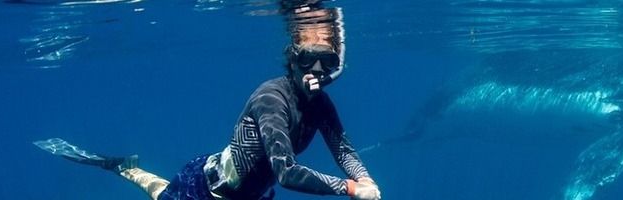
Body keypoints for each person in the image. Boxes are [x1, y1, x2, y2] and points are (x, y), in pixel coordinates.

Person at [34, 1, 381, 200]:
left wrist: (366, 180)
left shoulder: (321, 105)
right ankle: (120, 165)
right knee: (158, 193)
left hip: (252, 197)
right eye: (308, 59)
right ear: (291, 59)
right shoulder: (272, 99)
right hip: (204, 190)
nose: (317, 70)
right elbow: (286, 173)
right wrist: (351, 188)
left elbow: (343, 150)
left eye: (329, 62)